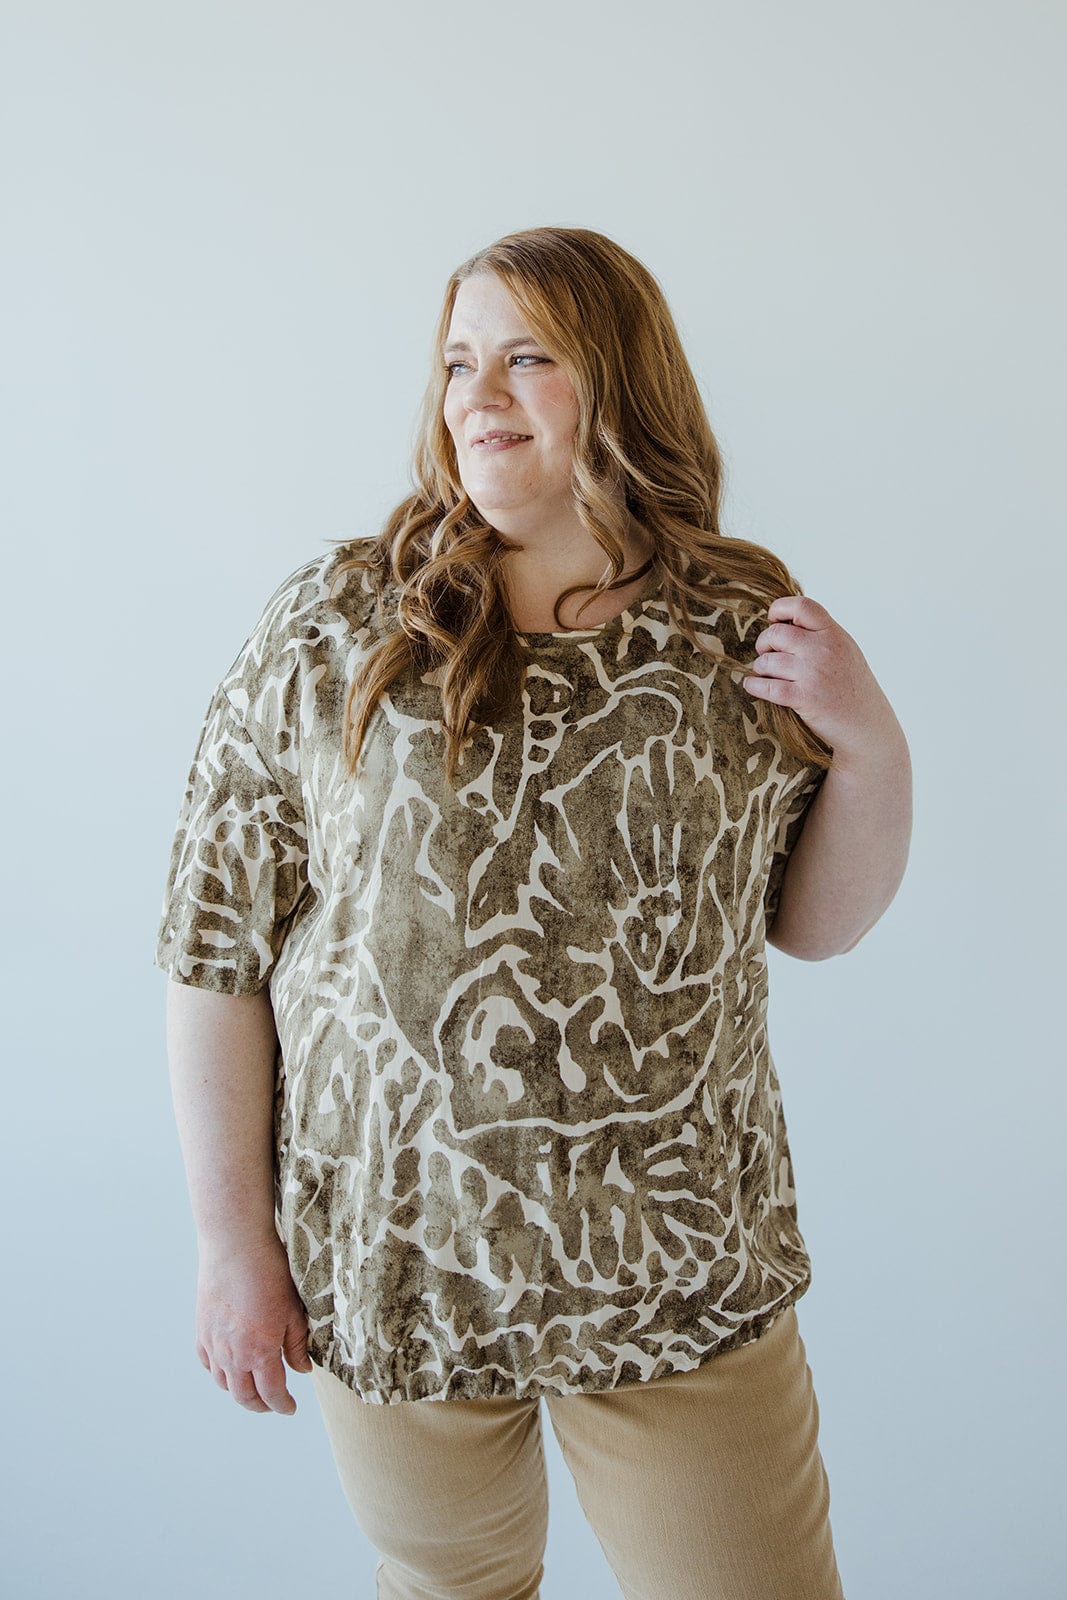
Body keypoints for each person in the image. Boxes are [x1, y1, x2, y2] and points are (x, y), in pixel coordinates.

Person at [157, 225, 911, 1600]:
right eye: (456, 361)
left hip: (677, 1263)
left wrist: (870, 746)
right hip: (398, 1259)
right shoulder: (339, 624)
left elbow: (814, 923)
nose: (475, 395)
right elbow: (216, 946)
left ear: (619, 379)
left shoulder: (734, 625)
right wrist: (231, 1248)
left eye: (526, 357)